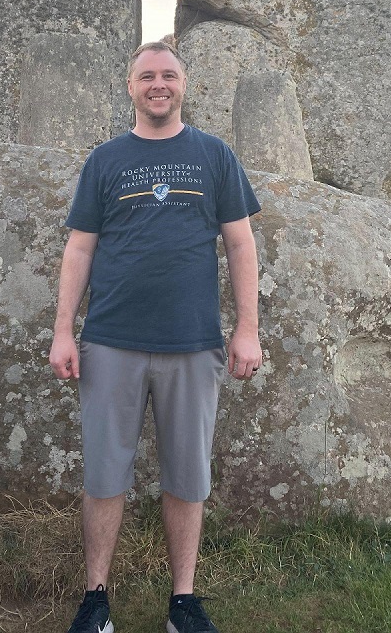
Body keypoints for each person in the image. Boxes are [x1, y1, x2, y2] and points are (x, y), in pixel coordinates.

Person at [49, 40, 262, 633]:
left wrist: (247, 327)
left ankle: (183, 602)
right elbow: (80, 247)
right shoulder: (105, 161)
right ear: (130, 87)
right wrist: (64, 330)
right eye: (147, 76)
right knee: (104, 474)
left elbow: (241, 244)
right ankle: (96, 598)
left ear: (183, 84)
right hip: (111, 339)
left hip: (193, 343)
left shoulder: (215, 156)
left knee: (188, 475)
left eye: (168, 74)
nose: (158, 84)